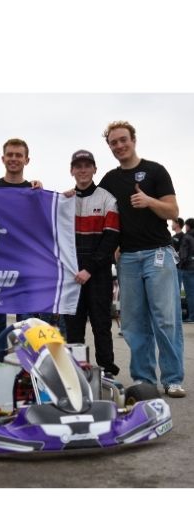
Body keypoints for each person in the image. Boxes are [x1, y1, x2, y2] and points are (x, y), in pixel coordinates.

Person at [98, 120, 185, 397]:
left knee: (165, 319)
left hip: (157, 253)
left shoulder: (155, 170)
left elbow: (172, 211)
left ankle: (172, 378)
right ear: (110, 146)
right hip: (128, 259)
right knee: (134, 323)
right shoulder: (110, 180)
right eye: (114, 142)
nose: (119, 145)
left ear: (133, 140)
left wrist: (150, 202)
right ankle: (144, 379)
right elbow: (95, 207)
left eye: (123, 140)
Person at [0, 139, 47, 357]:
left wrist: (55, 196)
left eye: (18, 155)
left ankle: (26, 368)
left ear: (26, 160)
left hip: (24, 267)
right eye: (10, 154)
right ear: (3, 158)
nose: (14, 159)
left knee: (26, 322)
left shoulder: (34, 191)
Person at [61, 150, 120, 376]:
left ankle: (107, 371)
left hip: (98, 274)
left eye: (87, 166)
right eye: (78, 166)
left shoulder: (107, 198)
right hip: (71, 274)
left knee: (101, 326)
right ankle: (76, 373)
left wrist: (89, 269)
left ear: (95, 169)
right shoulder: (64, 201)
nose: (83, 170)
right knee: (73, 329)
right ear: (72, 170)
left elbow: (111, 238)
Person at [178, 218, 194, 323]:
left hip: (187, 267)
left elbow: (183, 254)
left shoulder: (187, 237)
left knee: (190, 293)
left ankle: (192, 316)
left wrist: (180, 265)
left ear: (188, 226)